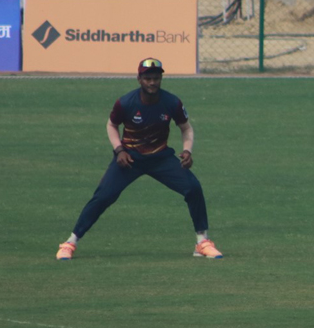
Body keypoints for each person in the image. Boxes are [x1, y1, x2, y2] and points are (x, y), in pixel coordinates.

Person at [55, 58, 223, 260]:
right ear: (139, 79)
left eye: (156, 78)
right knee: (103, 196)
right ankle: (70, 243)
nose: (152, 82)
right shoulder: (126, 102)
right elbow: (111, 125)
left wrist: (187, 151)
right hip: (130, 159)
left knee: (193, 188)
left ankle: (202, 242)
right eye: (147, 78)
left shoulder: (172, 102)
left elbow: (186, 128)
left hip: (160, 158)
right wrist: (119, 150)